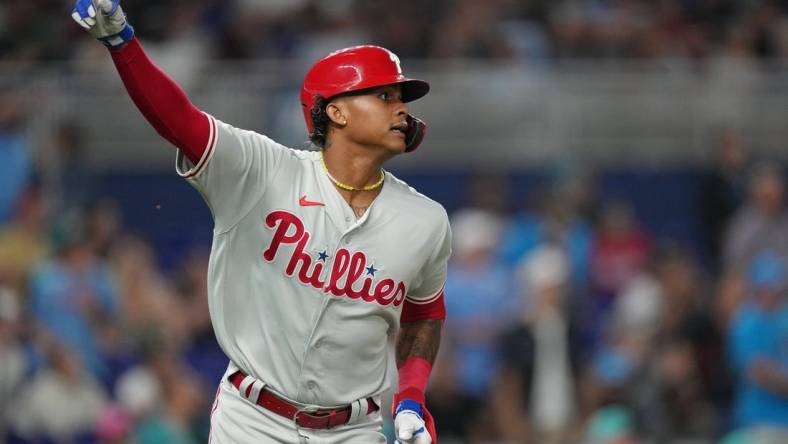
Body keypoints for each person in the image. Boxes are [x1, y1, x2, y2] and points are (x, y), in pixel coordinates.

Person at [72, 2, 451, 443]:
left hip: (356, 429)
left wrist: (411, 400)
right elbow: (178, 120)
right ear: (336, 112)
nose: (401, 108)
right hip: (253, 420)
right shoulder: (263, 170)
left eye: (402, 98)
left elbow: (424, 315)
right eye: (385, 96)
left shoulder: (426, 220)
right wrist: (122, 43)